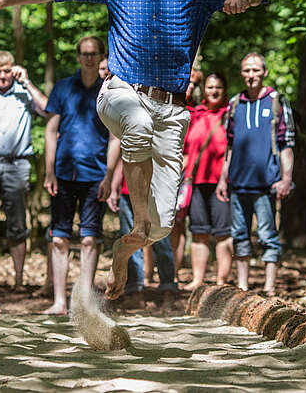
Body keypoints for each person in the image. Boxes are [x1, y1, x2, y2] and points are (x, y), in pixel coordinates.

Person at [0, 0, 267, 300]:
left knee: (162, 225)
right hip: (120, 94)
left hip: (172, 108)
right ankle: (139, 217)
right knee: (137, 125)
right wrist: (1, 1)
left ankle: (125, 248)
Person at [42, 36, 118, 315]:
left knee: (89, 239)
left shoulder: (109, 92)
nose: (88, 58)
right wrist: (48, 171)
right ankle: (60, 301)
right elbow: (51, 132)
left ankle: (84, 299)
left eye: (93, 54)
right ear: (78, 56)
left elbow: (115, 138)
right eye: (84, 53)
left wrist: (109, 177)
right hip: (62, 173)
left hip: (95, 175)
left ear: (101, 56)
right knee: (60, 238)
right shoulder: (62, 88)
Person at [215, 53, 294, 295]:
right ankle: (243, 287)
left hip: (267, 183)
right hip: (238, 183)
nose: (251, 75)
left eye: (255, 70)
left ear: (264, 72)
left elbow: (287, 144)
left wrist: (286, 179)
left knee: (268, 236)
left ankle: (270, 288)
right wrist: (222, 179)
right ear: (242, 73)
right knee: (239, 236)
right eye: (247, 71)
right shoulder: (235, 104)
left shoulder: (276, 102)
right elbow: (229, 145)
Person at [0, 50, 48, 290]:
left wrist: (27, 82)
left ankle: (18, 279)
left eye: (7, 71)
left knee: (17, 225)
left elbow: (49, 111)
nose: (2, 76)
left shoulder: (24, 93)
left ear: (14, 71)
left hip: (18, 164)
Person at [182, 72, 232, 291]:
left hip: (222, 182)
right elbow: (181, 101)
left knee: (223, 233)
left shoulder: (230, 114)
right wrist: (192, 82)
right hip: (196, 181)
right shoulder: (196, 114)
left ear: (224, 90)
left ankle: (222, 281)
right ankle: (198, 279)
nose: (214, 91)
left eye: (218, 87)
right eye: (210, 87)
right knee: (199, 231)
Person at [107, 153, 177, 309]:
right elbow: (124, 156)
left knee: (161, 242)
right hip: (128, 193)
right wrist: (113, 187)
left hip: (156, 193)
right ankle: (135, 293)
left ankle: (168, 291)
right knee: (129, 240)